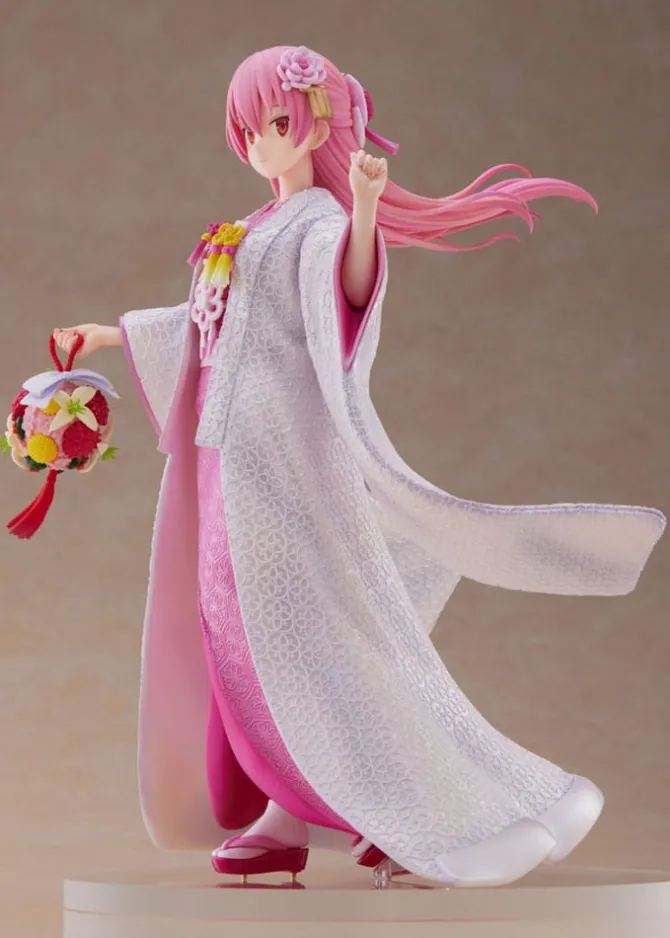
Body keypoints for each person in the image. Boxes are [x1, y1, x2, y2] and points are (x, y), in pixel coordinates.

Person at [53, 45, 665, 887]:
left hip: (281, 461)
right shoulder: (245, 231)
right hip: (225, 456)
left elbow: (345, 289)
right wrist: (108, 335)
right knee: (234, 638)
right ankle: (290, 809)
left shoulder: (318, 226)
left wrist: (367, 212)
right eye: (248, 129)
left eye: (275, 122)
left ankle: (395, 808)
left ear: (315, 125)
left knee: (298, 638)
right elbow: (199, 323)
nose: (261, 141)